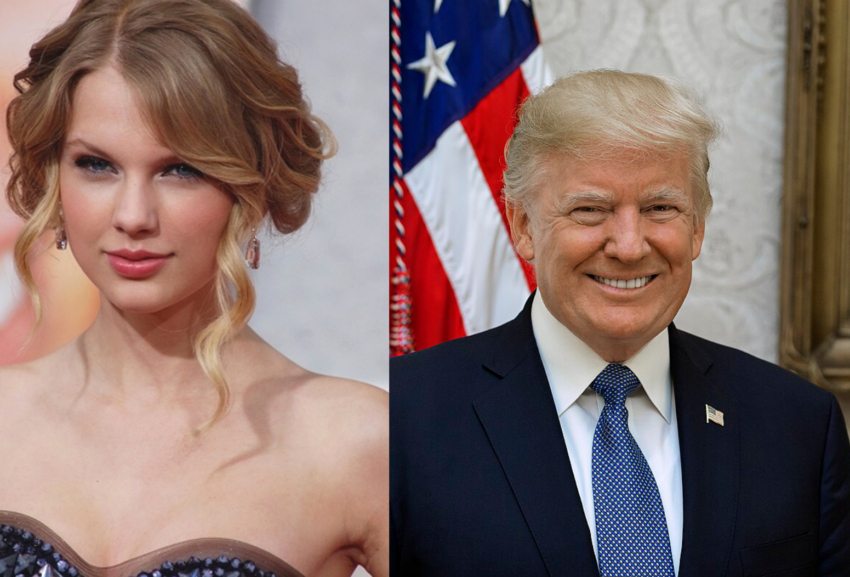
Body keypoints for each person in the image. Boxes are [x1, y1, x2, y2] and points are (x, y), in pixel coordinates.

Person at [390, 70, 850, 576]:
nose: (629, 246)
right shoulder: (403, 420)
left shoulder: (799, 424)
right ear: (523, 226)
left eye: (660, 207)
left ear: (697, 227)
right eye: (590, 209)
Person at [0, 2, 388, 577]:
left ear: (252, 186)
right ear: (53, 175)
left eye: (181, 169)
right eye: (96, 164)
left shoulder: (354, 441)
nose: (133, 216)